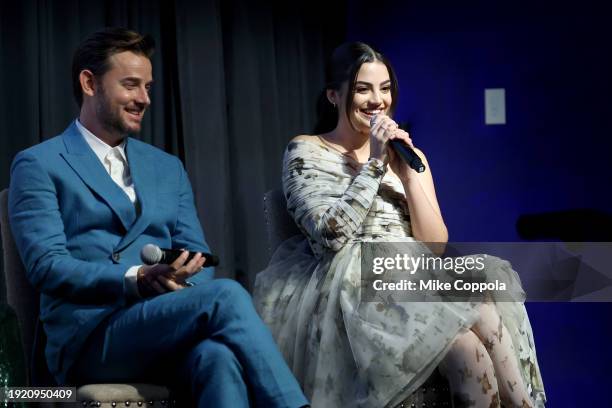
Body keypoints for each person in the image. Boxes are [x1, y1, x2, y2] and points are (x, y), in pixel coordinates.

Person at [8, 27, 308, 408]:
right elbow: (47, 267)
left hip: (164, 321)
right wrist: (134, 279)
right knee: (228, 296)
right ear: (89, 83)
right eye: (131, 85)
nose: (144, 99)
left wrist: (180, 281)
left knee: (217, 358)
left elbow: (198, 255)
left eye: (148, 87)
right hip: (91, 337)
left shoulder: (167, 167)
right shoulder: (40, 163)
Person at [253, 42, 546, 408]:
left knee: (486, 304)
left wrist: (407, 176)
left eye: (385, 88)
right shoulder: (306, 150)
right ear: (333, 95)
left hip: (412, 273)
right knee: (466, 352)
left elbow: (435, 245)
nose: (377, 100)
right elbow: (329, 235)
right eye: (363, 89)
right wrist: (375, 165)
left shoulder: (408, 154)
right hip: (355, 285)